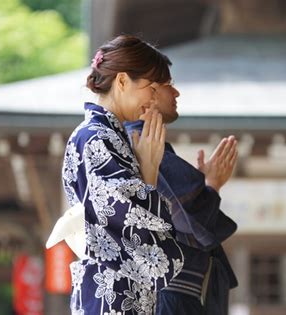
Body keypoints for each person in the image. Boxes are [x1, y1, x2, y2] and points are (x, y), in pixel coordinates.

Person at [60, 35, 185, 314]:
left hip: (121, 291)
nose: (154, 99)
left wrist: (146, 172)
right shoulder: (95, 137)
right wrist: (149, 171)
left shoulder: (108, 136)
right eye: (151, 88)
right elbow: (123, 216)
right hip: (110, 292)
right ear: (122, 81)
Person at [124, 77, 239, 314]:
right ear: (148, 94)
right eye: (168, 84)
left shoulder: (139, 145)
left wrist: (204, 185)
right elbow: (198, 226)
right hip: (172, 295)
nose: (176, 92)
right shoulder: (142, 145)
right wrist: (212, 185)